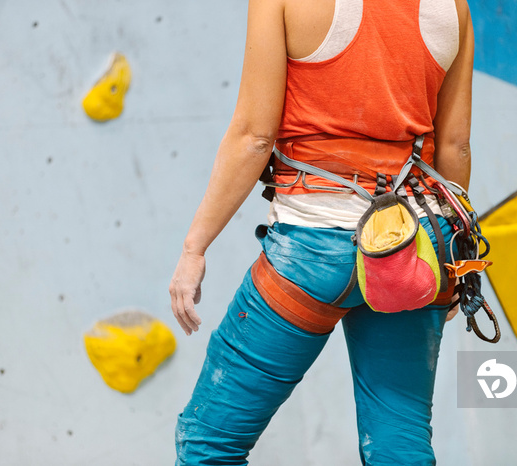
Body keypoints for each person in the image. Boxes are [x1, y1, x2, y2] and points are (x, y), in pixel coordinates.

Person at [169, 0, 474, 463]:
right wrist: (454, 263)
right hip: (412, 246)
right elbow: (454, 146)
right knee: (400, 444)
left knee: (208, 442)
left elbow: (254, 136)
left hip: (313, 250)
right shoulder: (453, 8)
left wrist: (195, 247)